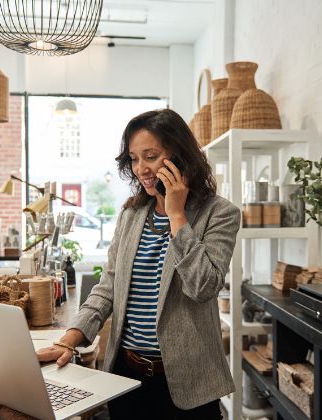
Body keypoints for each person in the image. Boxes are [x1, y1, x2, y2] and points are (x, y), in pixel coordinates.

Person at [37, 109, 241, 419]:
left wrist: (177, 216)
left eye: (151, 156)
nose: (141, 169)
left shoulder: (219, 213)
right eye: (134, 159)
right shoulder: (131, 215)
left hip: (189, 386)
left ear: (180, 158)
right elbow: (107, 289)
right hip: (126, 378)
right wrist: (70, 339)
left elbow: (204, 287)